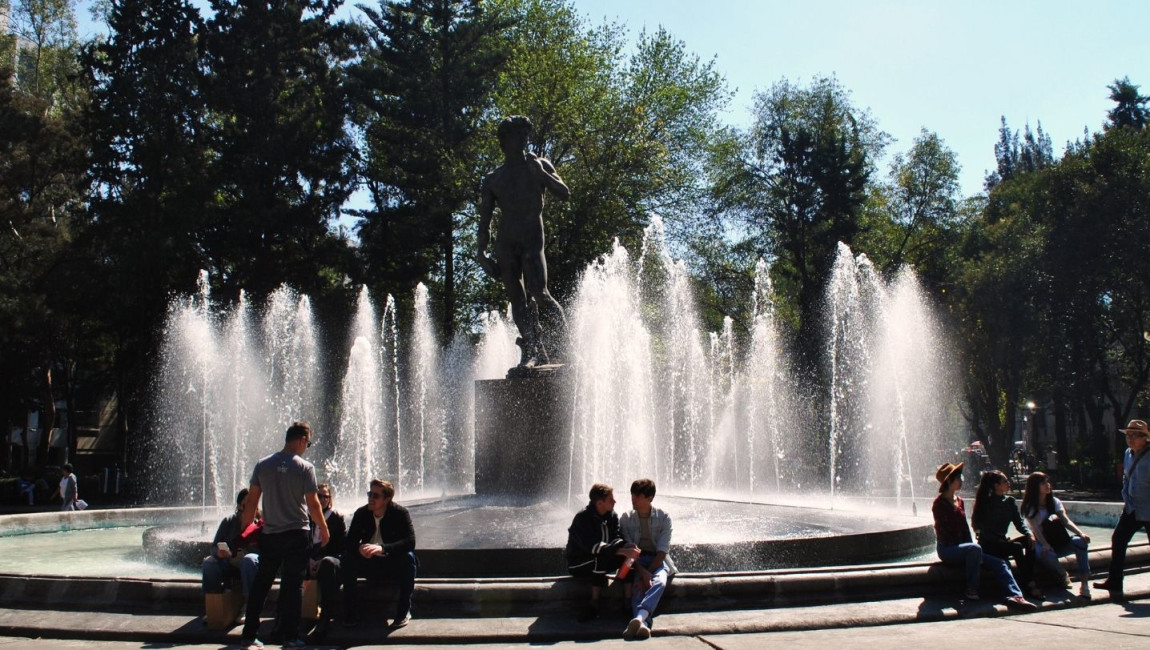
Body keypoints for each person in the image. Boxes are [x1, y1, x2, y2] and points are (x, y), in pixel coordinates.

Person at [477, 115, 570, 369]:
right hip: (506, 243)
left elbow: (565, 193)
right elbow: (485, 219)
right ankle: (532, 350)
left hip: (531, 238)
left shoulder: (538, 165)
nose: (523, 140)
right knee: (517, 300)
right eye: (518, 135)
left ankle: (568, 349)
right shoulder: (493, 178)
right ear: (504, 140)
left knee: (540, 292)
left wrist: (542, 175)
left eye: (525, 136)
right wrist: (481, 253)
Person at [238, 422, 329, 650]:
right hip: (297, 533)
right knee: (293, 586)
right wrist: (324, 528)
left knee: (261, 584)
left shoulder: (263, 464)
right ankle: (291, 637)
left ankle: (249, 636)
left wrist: (246, 526)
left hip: (271, 533)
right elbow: (313, 504)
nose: (307, 447)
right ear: (301, 439)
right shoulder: (305, 467)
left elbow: (252, 499)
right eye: (308, 443)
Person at [312, 478, 416, 641]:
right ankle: (350, 613)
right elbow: (349, 542)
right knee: (347, 559)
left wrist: (383, 548)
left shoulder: (400, 513)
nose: (371, 499)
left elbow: (410, 541)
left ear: (387, 499)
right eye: (369, 494)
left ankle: (403, 611)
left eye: (376, 496)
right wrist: (359, 548)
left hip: (390, 563)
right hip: (368, 563)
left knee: (409, 558)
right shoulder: (362, 513)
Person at [931, 462, 1035, 610]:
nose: (962, 480)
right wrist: (970, 550)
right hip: (947, 549)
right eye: (959, 478)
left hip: (967, 550)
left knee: (1000, 563)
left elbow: (965, 528)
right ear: (949, 481)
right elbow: (943, 532)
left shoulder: (959, 501)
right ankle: (971, 589)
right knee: (975, 549)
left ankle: (1015, 596)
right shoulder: (938, 504)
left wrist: (971, 549)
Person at [566, 483, 639, 621]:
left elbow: (616, 537)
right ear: (600, 503)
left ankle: (628, 604)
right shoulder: (582, 518)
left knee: (629, 558)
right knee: (600, 557)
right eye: (611, 499)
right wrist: (622, 550)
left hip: (603, 556)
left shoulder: (612, 515)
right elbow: (593, 547)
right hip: (579, 563)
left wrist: (626, 546)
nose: (615, 501)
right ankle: (594, 605)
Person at [1094, 419, 1150, 601]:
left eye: (1135, 436)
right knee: (1118, 539)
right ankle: (1115, 581)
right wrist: (1126, 497)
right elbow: (1126, 477)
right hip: (1132, 508)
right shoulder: (1128, 453)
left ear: (1145, 438)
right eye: (1128, 435)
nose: (1130, 439)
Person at [971, 469, 1043, 599]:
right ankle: (1029, 584)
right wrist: (999, 541)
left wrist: (1029, 533)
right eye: (1005, 481)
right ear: (996, 485)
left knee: (1030, 541)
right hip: (989, 545)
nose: (1008, 482)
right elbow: (979, 528)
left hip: (1002, 543)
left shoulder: (1010, 501)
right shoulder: (986, 503)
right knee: (1016, 547)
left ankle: (1028, 576)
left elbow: (1019, 523)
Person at [618, 478, 676, 641]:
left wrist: (647, 573)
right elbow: (630, 552)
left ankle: (639, 618)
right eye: (632, 495)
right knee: (638, 587)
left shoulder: (664, 518)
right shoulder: (626, 518)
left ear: (649, 498)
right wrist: (643, 573)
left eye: (637, 496)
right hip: (636, 562)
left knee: (660, 582)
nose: (633, 499)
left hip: (657, 561)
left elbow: (662, 551)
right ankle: (643, 623)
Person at [1021, 472, 1091, 598]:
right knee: (1046, 553)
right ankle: (1062, 574)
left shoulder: (1054, 501)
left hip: (1058, 541)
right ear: (1034, 486)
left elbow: (1066, 521)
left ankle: (1085, 584)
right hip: (1041, 541)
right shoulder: (1029, 506)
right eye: (1043, 483)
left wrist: (1081, 533)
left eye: (1047, 482)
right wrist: (1045, 544)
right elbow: (1035, 529)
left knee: (1081, 542)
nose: (1047, 485)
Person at [201, 488, 262, 616]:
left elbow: (266, 549)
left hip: (251, 565)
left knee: (249, 560)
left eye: (253, 503)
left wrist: (246, 553)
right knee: (209, 562)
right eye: (246, 503)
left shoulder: (260, 524)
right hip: (229, 563)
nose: (250, 506)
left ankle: (248, 605)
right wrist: (219, 553)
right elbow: (214, 546)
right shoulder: (228, 521)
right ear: (239, 505)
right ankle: (214, 605)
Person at [308, 483, 346, 577]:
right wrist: (309, 559)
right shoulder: (305, 516)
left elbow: (340, 546)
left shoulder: (336, 517)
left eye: (326, 497)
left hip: (329, 557)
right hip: (309, 558)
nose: (323, 500)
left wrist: (320, 560)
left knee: (327, 563)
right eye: (319, 496)